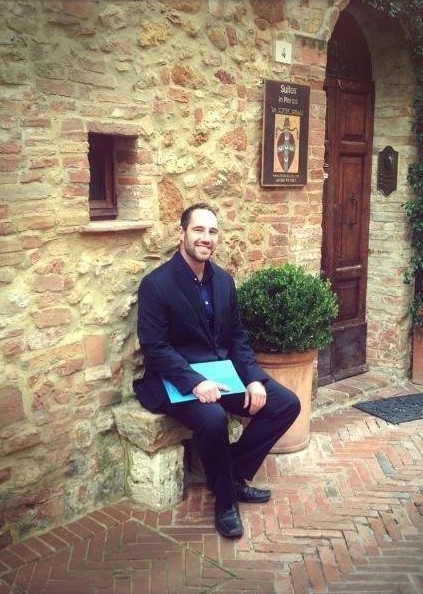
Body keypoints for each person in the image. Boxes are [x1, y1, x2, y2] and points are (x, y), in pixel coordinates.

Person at [133, 203, 301, 538]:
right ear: (181, 233)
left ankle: (229, 472)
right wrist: (195, 382)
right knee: (212, 418)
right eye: (198, 230)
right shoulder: (156, 284)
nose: (206, 238)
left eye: (212, 231)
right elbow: (155, 346)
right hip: (174, 379)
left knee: (285, 403)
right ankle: (226, 501)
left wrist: (253, 378)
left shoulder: (223, 281)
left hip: (222, 374)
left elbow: (237, 337)